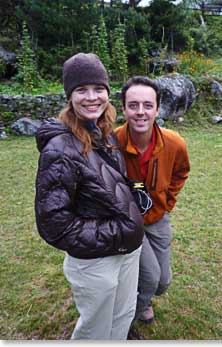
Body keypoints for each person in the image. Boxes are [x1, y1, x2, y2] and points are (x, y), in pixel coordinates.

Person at [34, 53, 144, 340]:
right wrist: (118, 231)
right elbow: (54, 224)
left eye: (98, 89)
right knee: (94, 333)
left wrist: (132, 194)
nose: (91, 97)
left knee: (122, 318)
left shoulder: (104, 132)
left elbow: (102, 183)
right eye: (81, 90)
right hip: (96, 261)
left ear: (108, 92)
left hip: (127, 252)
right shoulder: (58, 149)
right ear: (70, 96)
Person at [115, 76, 190, 336]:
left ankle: (144, 299)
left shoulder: (174, 143)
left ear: (158, 109)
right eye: (133, 105)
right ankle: (120, 326)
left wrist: (167, 202)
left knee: (163, 281)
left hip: (158, 218)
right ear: (123, 108)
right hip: (129, 221)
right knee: (150, 278)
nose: (140, 112)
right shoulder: (112, 142)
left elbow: (182, 171)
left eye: (148, 105)